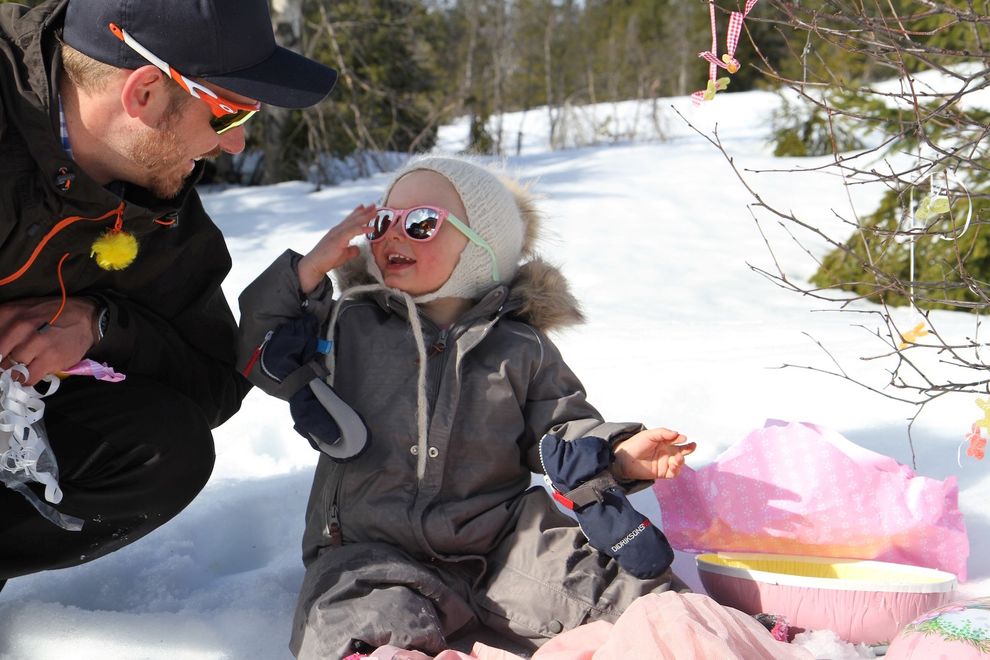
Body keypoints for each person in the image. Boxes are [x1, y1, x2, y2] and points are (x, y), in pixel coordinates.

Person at [238, 155, 698, 658]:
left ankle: (698, 637)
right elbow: (262, 354)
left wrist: (619, 454)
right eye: (382, 222)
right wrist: (305, 273)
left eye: (421, 224)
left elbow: (560, 430)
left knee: (611, 584)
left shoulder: (520, 347)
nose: (393, 236)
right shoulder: (346, 327)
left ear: (482, 246)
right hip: (373, 549)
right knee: (353, 612)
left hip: (502, 546)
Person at [0, 0, 337, 586]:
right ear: (146, 92)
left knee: (165, 448)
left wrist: (99, 326)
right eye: (229, 115)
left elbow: (215, 381)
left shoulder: (157, 208)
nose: (234, 145)